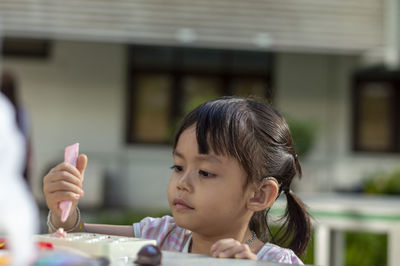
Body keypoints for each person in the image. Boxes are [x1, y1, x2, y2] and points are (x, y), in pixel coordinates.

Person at [43, 96, 311, 264]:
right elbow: (80, 237)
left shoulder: (274, 262)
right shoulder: (160, 236)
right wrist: (63, 213)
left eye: (205, 172)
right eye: (179, 166)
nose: (183, 182)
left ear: (259, 195)